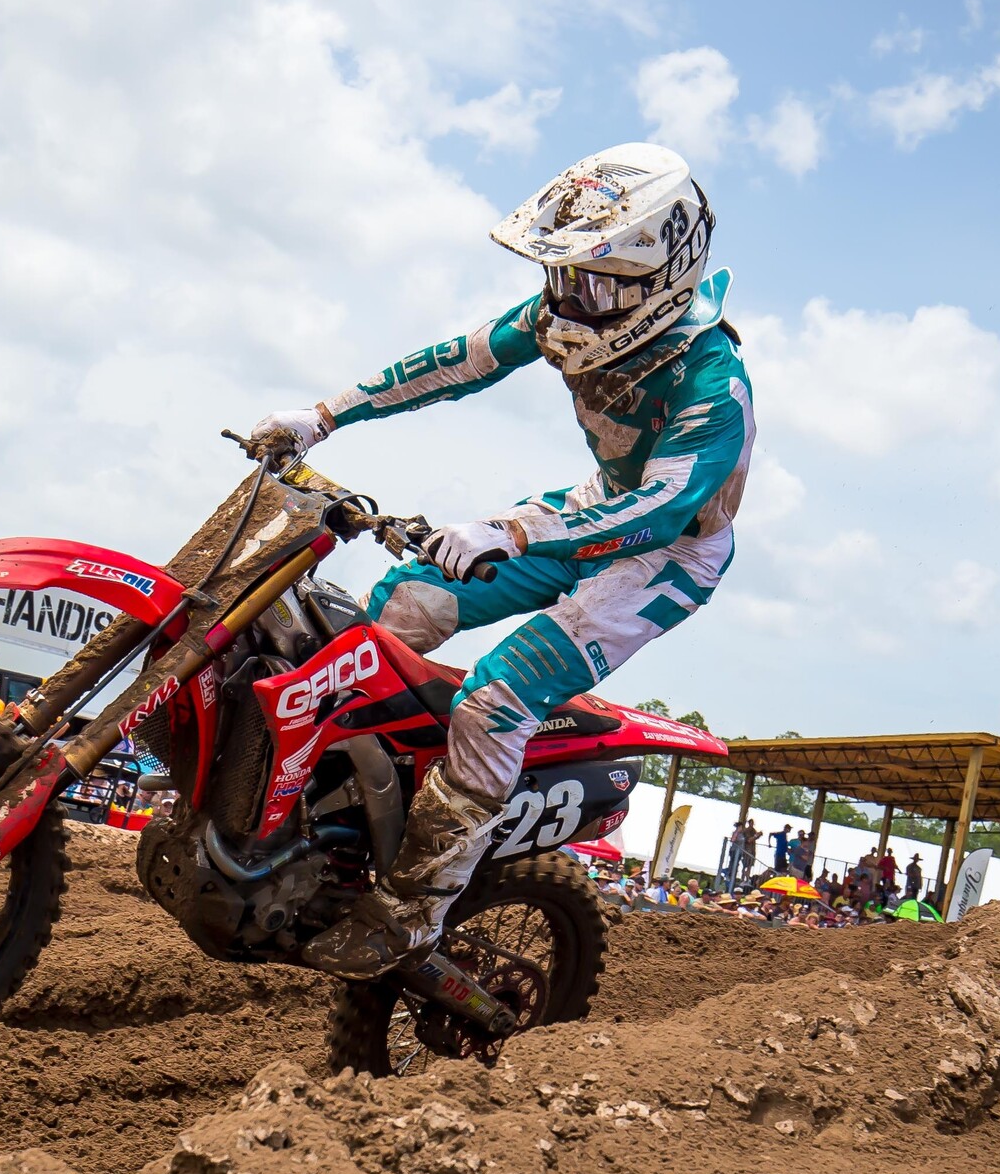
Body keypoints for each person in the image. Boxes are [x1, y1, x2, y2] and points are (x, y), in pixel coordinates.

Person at [243, 144, 750, 979]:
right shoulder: (568, 313)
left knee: (497, 697)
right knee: (405, 602)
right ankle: (331, 810)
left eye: (592, 283)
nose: (568, 302)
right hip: (592, 504)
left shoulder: (711, 379)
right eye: (562, 277)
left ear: (659, 279)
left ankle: (413, 909)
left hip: (668, 555)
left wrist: (512, 536)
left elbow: (660, 510)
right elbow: (458, 360)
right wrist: (323, 414)